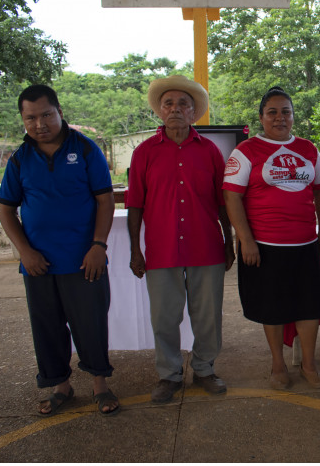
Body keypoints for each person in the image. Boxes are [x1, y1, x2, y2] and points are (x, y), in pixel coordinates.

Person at [0, 84, 120, 416]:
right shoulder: (20, 159)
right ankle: (60, 387)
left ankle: (100, 386)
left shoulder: (85, 150)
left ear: (60, 112)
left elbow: (104, 200)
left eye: (46, 115)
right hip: (38, 264)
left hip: (84, 261)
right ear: (23, 119)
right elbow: (6, 209)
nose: (40, 124)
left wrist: (98, 245)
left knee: (90, 324)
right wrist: (25, 252)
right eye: (31, 117)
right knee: (47, 327)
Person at [126, 75, 235, 403]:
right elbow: (134, 204)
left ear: (193, 112)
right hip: (161, 250)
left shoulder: (211, 152)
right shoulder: (144, 153)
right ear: (160, 110)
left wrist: (229, 243)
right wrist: (135, 249)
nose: (175, 109)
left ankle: (205, 369)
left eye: (183, 104)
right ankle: (169, 375)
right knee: (164, 318)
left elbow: (222, 202)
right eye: (169, 103)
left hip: (206, 246)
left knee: (208, 316)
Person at [223, 87, 320, 390]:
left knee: (309, 307)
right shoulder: (246, 151)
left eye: (286, 111)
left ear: (293, 116)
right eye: (272, 112)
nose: (280, 117)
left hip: (304, 243)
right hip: (265, 246)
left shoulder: (308, 148)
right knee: (272, 308)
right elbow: (232, 198)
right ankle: (277, 364)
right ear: (261, 117)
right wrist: (246, 240)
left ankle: (309, 365)